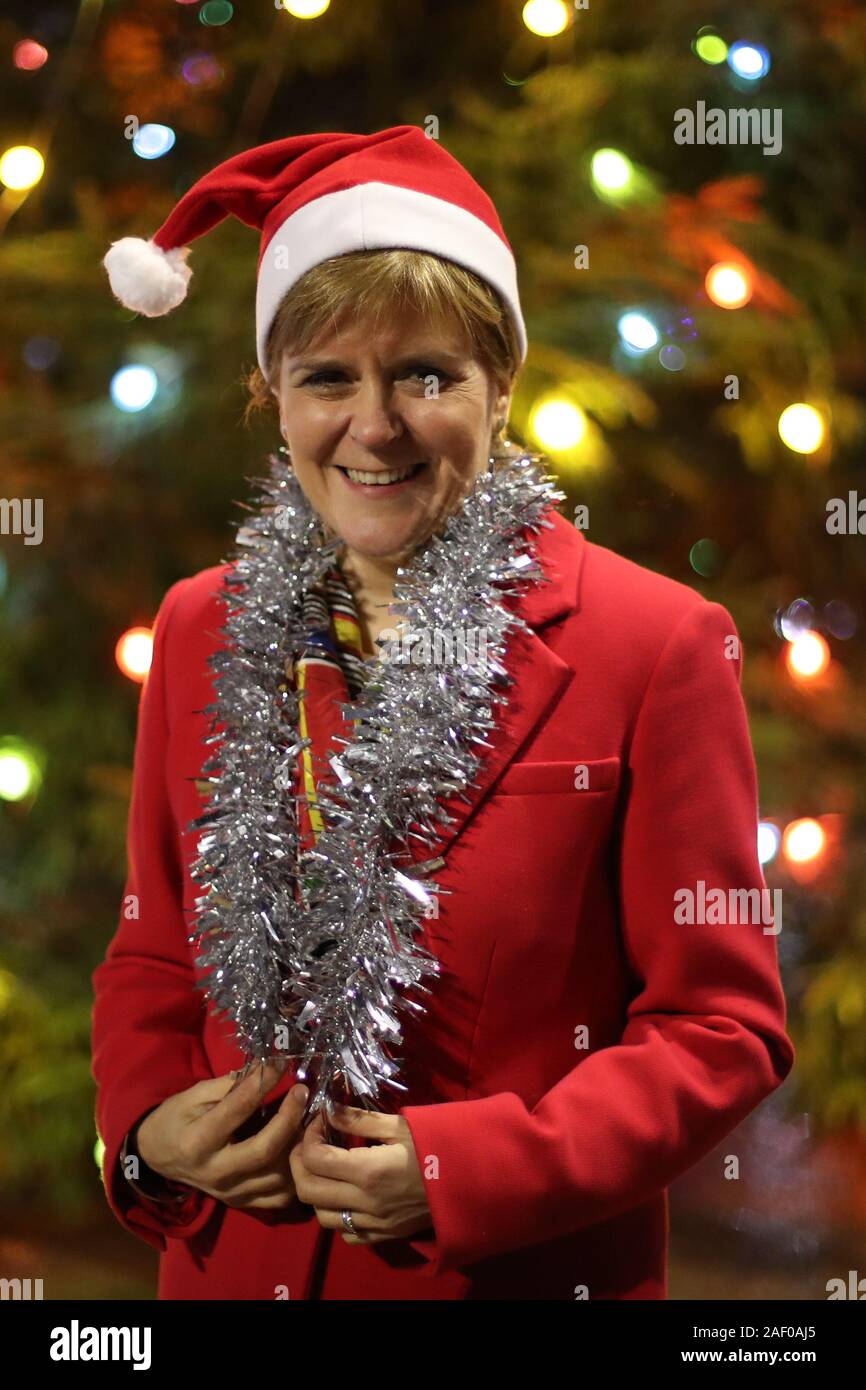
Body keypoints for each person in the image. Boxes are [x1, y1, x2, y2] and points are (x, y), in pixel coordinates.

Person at [92, 125, 794, 1300]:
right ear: (272, 397)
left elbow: (721, 1029)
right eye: (326, 378)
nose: (374, 427)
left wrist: (474, 1170)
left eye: (425, 374)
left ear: (500, 389)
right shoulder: (196, 625)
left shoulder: (657, 643)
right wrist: (147, 1131)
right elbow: (152, 949)